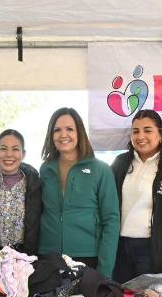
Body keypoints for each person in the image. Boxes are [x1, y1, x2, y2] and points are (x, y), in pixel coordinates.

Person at [38, 107, 119, 278]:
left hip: (88, 258)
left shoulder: (101, 170)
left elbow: (111, 221)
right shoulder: (45, 169)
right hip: (49, 257)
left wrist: (105, 271)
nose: (63, 135)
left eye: (69, 129)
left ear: (79, 132)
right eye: (57, 130)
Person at [110, 110, 162, 280]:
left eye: (147, 130)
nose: (140, 136)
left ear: (160, 134)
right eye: (135, 131)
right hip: (119, 249)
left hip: (151, 251)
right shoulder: (120, 163)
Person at [0, 129, 42, 255]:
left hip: (23, 258)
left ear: (24, 154)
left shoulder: (34, 183)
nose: (9, 154)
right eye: (4, 149)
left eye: (15, 149)